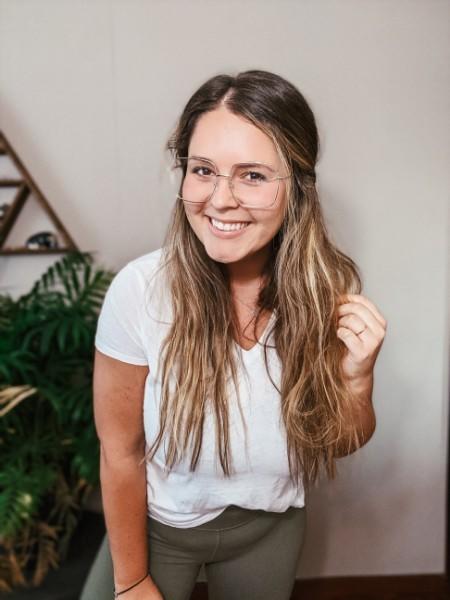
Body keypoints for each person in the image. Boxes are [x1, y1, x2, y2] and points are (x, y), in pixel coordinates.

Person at [80, 69, 387, 600]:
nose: (220, 199)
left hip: (268, 530)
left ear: (298, 186)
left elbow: (337, 443)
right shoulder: (140, 291)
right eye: (203, 170)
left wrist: (359, 380)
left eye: (252, 176)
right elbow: (119, 450)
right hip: (156, 526)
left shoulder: (326, 292)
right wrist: (130, 582)